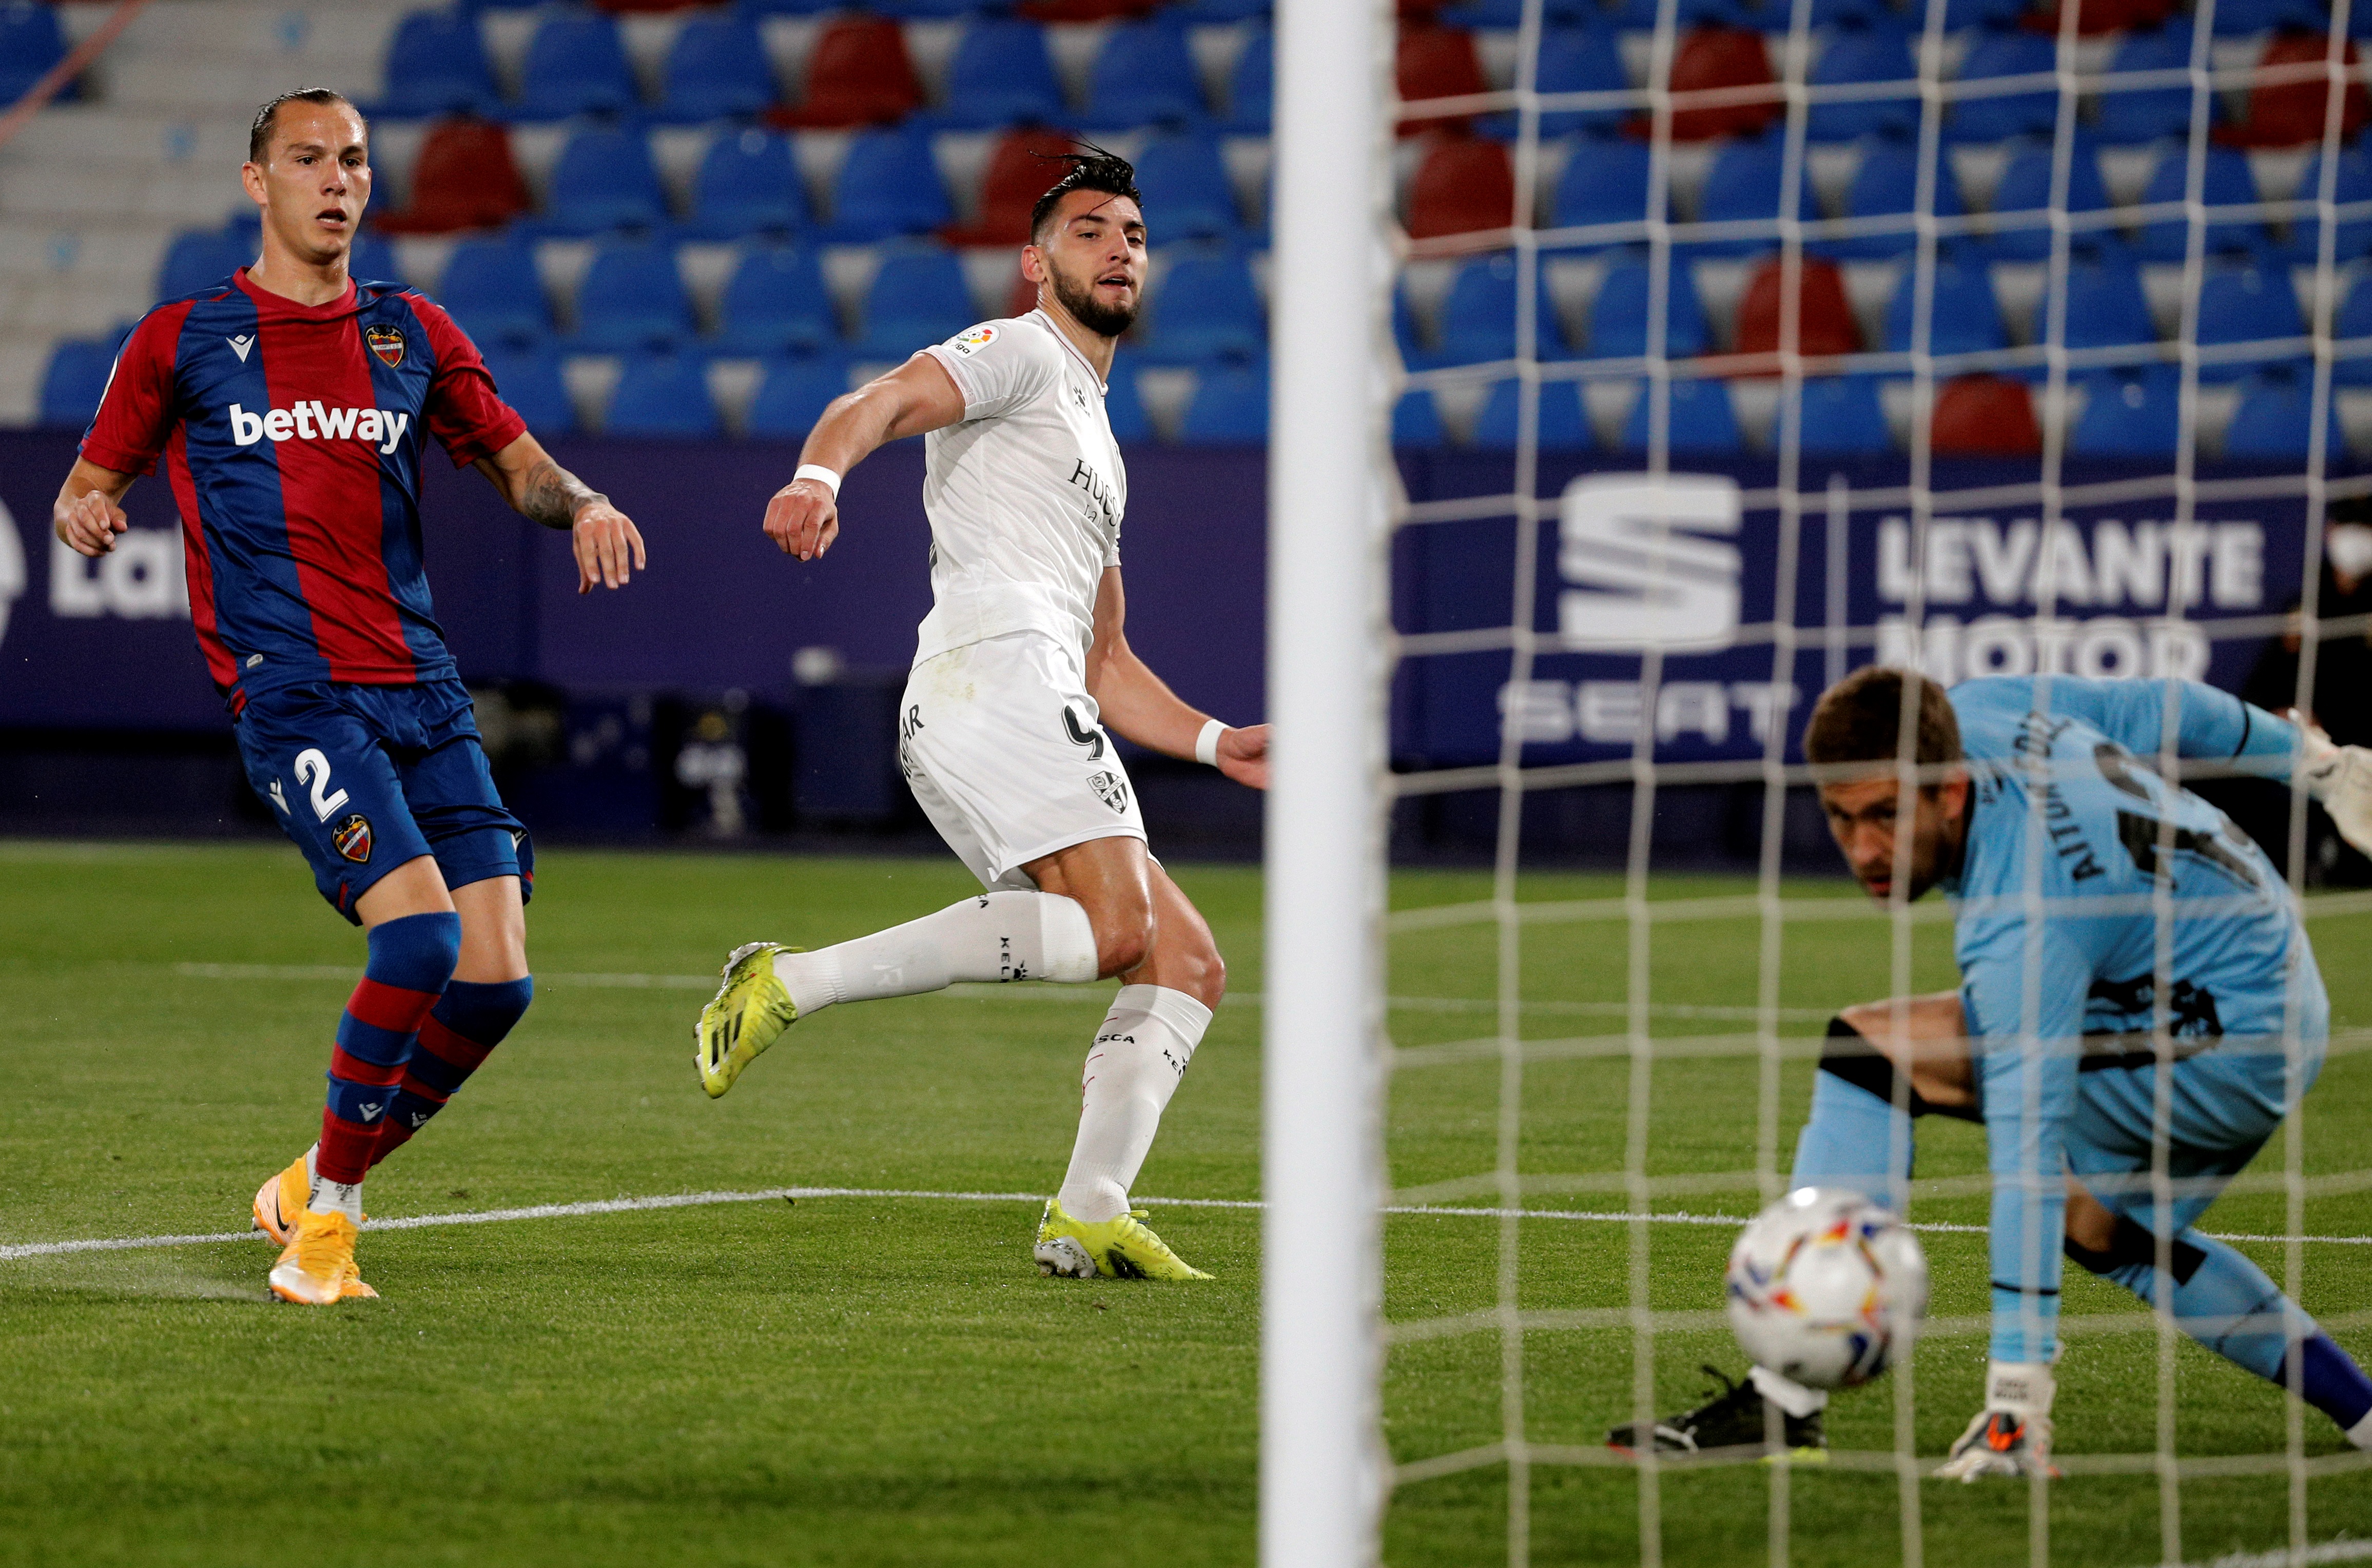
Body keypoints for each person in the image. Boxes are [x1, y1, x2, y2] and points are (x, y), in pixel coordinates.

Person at [50, 89, 647, 1306]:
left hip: (422, 688)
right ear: (256, 180)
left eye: (355, 160)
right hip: (297, 693)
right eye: (308, 158)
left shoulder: (410, 333)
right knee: (421, 936)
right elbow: (85, 480)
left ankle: (307, 1174)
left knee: (496, 979)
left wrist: (582, 503)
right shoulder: (184, 338)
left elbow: (518, 464)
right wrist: (85, 507)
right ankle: (327, 1225)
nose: (336, 179)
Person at [696, 148, 1266, 1281]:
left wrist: (1212, 742)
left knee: (1185, 962)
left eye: (1134, 234)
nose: (1119, 247)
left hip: (1027, 683)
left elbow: (1106, 658)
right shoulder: (1022, 352)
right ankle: (790, 980)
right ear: (1035, 261)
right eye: (1091, 229)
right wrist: (820, 477)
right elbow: (882, 400)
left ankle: (1090, 1206)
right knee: (1112, 933)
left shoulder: (1098, 443)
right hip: (991, 672)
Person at [1609, 668, 2372, 1475]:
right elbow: (2159, 706)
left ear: (1949, 792)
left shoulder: (2023, 920)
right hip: (2253, 982)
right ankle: (2363, 1413)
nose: (1862, 850)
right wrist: (2321, 767)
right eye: (1839, 818)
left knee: (1878, 1059)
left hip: (2221, 1037)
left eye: (1884, 816)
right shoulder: (1980, 707)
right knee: (2105, 1232)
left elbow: (2026, 1154)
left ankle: (1796, 1403)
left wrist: (2015, 1399)